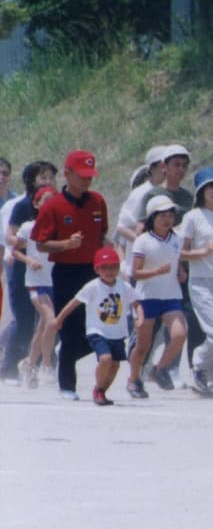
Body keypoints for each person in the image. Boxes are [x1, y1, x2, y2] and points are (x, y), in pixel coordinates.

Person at [32, 150, 109, 400]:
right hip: (66, 272)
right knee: (69, 327)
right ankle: (67, 384)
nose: (87, 181)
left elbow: (102, 235)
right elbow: (41, 243)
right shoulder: (53, 205)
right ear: (67, 174)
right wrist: (65, 244)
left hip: (93, 272)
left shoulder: (97, 201)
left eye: (90, 176)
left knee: (98, 326)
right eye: (82, 175)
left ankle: (64, 355)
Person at [48, 246, 137, 405]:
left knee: (115, 365)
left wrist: (140, 317)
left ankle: (100, 390)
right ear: (97, 269)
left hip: (117, 332)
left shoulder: (124, 286)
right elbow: (74, 303)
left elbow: (136, 303)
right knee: (105, 358)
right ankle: (98, 390)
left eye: (113, 267)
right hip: (97, 331)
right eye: (105, 268)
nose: (109, 271)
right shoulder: (93, 286)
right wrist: (59, 319)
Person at [176, 168, 213, 398]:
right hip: (201, 282)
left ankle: (206, 382)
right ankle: (198, 363)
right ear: (201, 191)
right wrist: (202, 252)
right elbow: (180, 252)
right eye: (211, 187)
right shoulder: (193, 217)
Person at [126, 195, 189, 398]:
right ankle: (133, 379)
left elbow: (176, 260)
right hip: (147, 297)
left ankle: (159, 369)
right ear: (152, 217)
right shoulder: (143, 241)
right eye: (162, 215)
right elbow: (135, 272)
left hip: (171, 295)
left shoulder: (177, 239)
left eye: (170, 215)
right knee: (143, 345)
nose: (167, 219)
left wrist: (180, 271)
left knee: (179, 335)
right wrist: (157, 272)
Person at [0, 160, 57, 381]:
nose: (48, 181)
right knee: (23, 319)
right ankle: (9, 367)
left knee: (46, 319)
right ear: (30, 180)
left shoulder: (55, 205)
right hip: (19, 267)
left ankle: (40, 362)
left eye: (51, 177)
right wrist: (29, 244)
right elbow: (9, 238)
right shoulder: (18, 206)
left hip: (47, 269)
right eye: (43, 177)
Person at [14, 186, 58, 388]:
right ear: (36, 204)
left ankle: (29, 364)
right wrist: (29, 260)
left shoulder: (60, 226)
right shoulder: (28, 227)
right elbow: (16, 250)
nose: (50, 204)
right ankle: (46, 365)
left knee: (43, 327)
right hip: (36, 282)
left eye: (53, 200)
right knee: (51, 321)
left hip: (55, 281)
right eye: (45, 200)